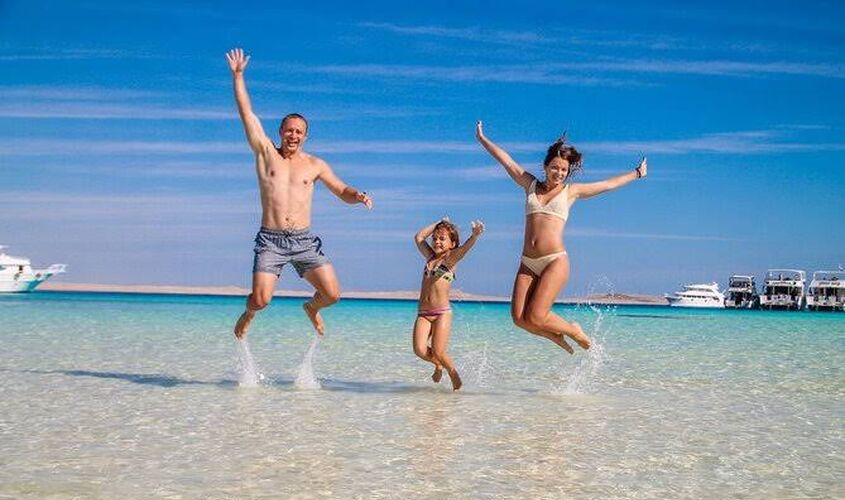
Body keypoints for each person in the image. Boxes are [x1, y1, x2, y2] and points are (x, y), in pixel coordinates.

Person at [226, 48, 373, 339]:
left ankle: (311, 308)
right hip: (271, 240)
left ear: (305, 136)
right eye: (289, 130)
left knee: (332, 294)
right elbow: (247, 114)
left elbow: (341, 189)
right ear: (280, 132)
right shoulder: (266, 153)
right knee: (260, 300)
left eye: (299, 132)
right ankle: (249, 313)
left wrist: (357, 195)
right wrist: (238, 76)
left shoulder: (315, 165)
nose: (293, 135)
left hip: (303, 241)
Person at [475, 121, 647, 353]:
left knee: (536, 316)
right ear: (545, 166)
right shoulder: (530, 185)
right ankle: (555, 336)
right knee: (519, 319)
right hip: (527, 262)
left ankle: (573, 330)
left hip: (554, 260)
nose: (559, 173)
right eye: (555, 168)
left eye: (564, 170)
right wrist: (483, 139)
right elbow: (507, 161)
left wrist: (637, 173)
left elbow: (607, 185)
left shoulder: (571, 192)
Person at [413, 218, 484, 391]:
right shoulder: (430, 257)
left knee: (438, 351)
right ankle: (438, 364)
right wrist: (438, 223)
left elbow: (464, 249)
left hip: (441, 313)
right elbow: (419, 237)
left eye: (442, 239)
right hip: (423, 313)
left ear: (452, 244)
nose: (437, 241)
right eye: (435, 238)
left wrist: (474, 236)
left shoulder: (450, 259)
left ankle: (453, 373)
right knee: (419, 350)